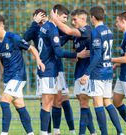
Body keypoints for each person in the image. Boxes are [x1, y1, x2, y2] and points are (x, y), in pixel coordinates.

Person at [0, 14, 45, 135]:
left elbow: (32, 48)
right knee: (20, 106)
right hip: (8, 78)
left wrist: (39, 61)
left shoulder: (13, 38)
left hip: (18, 76)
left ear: (2, 25)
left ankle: (4, 133)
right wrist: (3, 71)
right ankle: (31, 133)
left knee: (4, 101)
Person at [37, 4, 89, 135]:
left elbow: (58, 42)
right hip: (48, 70)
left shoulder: (44, 27)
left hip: (47, 69)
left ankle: (53, 131)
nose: (65, 21)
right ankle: (45, 132)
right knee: (47, 104)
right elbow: (59, 52)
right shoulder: (52, 29)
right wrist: (77, 54)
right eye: (64, 17)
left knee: (52, 102)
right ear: (55, 14)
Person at [51, 9, 96, 135]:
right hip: (78, 71)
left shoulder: (87, 30)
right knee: (83, 102)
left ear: (83, 19)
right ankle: (93, 132)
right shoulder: (77, 36)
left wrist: (54, 19)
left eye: (75, 19)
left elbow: (69, 30)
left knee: (84, 102)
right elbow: (73, 54)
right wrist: (76, 56)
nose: (72, 21)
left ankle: (83, 133)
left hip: (86, 73)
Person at [80, 6, 124, 135]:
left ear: (93, 17)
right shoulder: (109, 31)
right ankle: (120, 131)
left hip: (98, 73)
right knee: (107, 102)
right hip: (108, 71)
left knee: (98, 104)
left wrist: (87, 73)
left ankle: (104, 133)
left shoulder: (96, 32)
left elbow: (98, 55)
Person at [23, 9, 53, 135]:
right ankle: (47, 132)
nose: (41, 19)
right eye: (38, 17)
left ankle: (54, 131)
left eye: (43, 16)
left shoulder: (50, 27)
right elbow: (24, 39)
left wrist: (48, 22)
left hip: (54, 68)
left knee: (59, 101)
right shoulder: (35, 29)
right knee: (45, 102)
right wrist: (34, 23)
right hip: (43, 69)